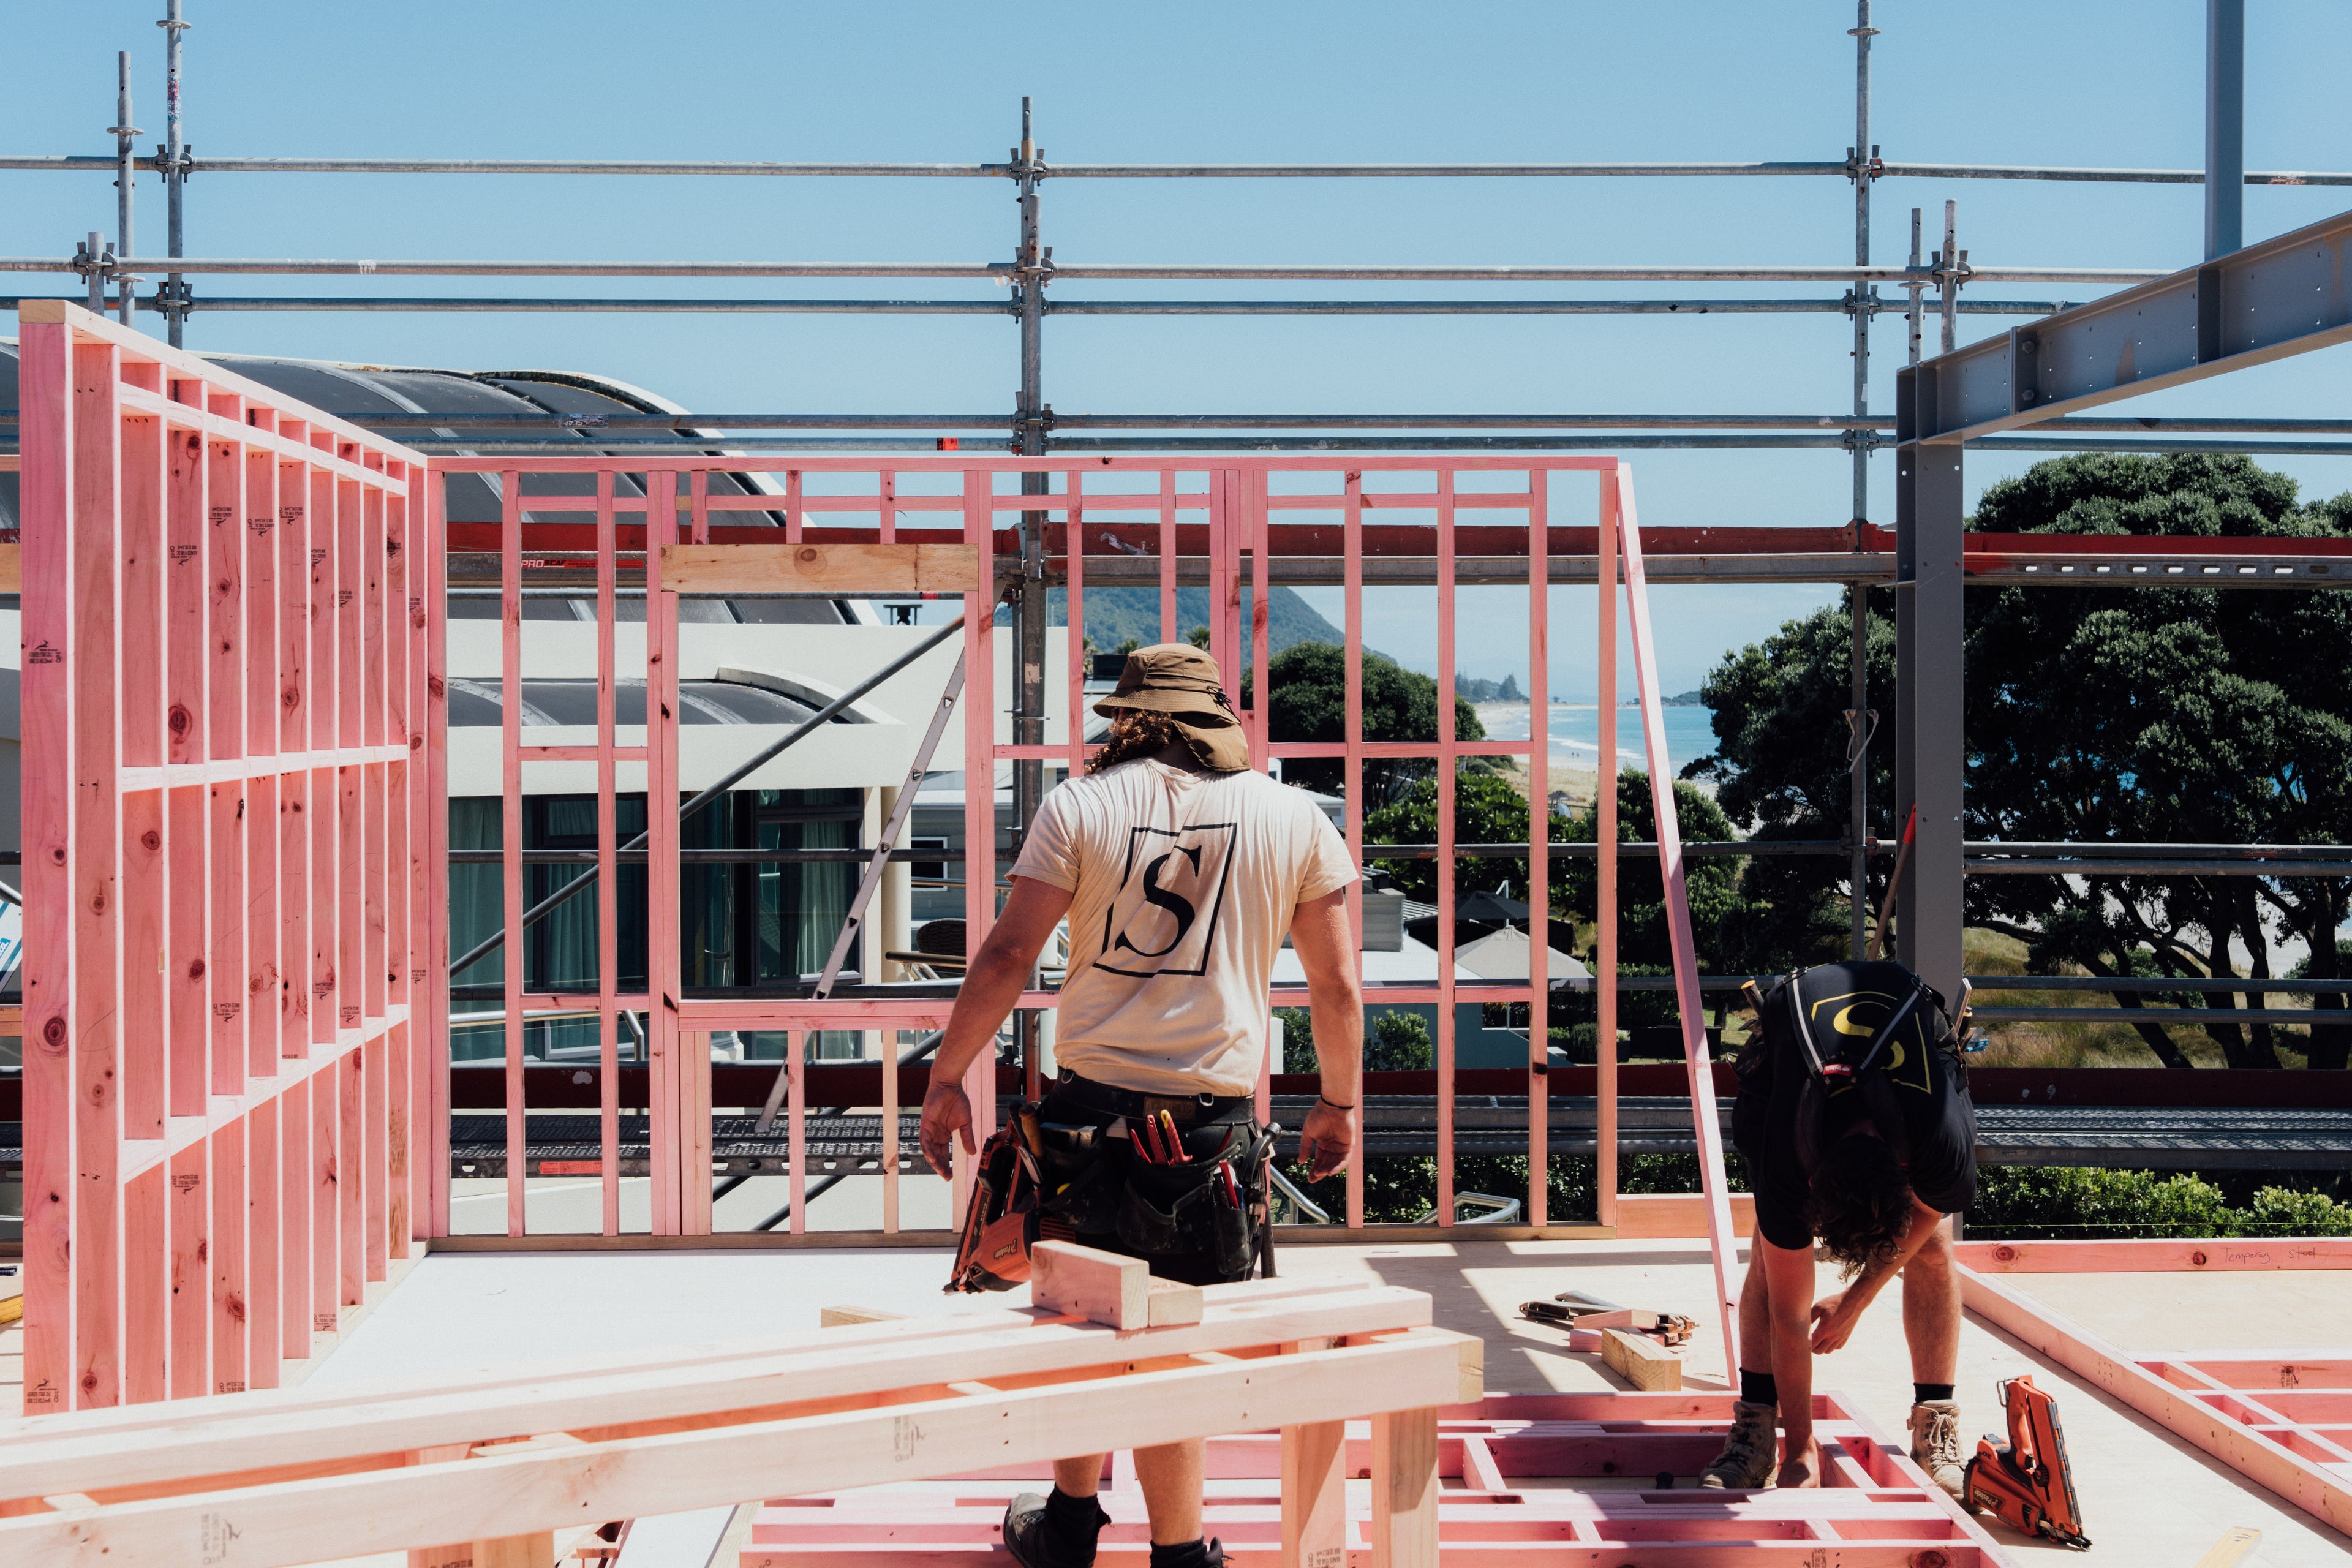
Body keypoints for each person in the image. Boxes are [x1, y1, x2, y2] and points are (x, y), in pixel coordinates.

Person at [918, 642, 1365, 1568]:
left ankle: (1070, 1526)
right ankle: (1176, 1553)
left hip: (1088, 1120)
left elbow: (1008, 955)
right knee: (1176, 1343)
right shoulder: (1292, 816)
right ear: (1216, 719)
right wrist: (1338, 1104)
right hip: (1207, 1133)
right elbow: (1335, 986)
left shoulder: (1080, 805)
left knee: (1081, 1323)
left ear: (1128, 719)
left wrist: (946, 1076)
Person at [1702, 961, 1978, 1499]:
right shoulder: (1787, 1151)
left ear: (1904, 1170)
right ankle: (1758, 1432)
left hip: (1910, 1028)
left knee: (1932, 1246)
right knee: (1772, 1255)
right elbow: (1789, 1316)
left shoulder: (1936, 1133)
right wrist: (1801, 1449)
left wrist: (1855, 1300)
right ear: (1811, 1180)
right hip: (1789, 1049)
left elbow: (1927, 1213)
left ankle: (1935, 1426)